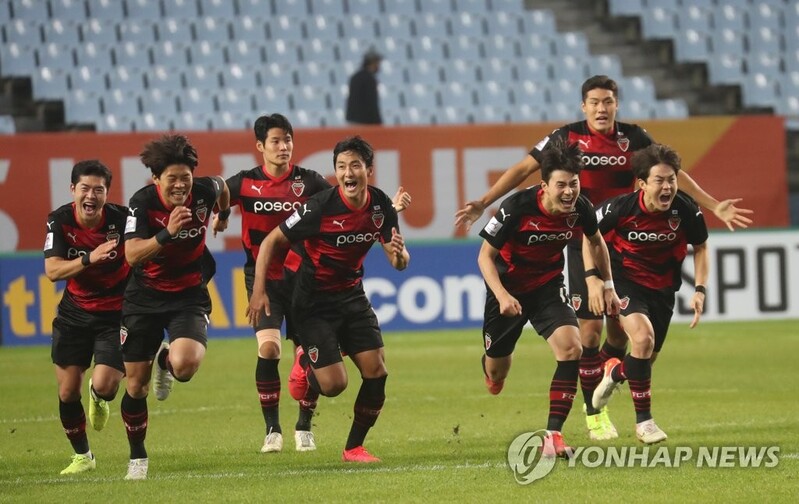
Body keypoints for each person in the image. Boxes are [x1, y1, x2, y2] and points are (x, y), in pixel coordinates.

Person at [456, 75, 751, 441]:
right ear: (584, 106)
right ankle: (594, 414)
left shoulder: (635, 138)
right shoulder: (566, 136)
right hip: (582, 241)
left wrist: (713, 204)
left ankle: (609, 380)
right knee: (589, 334)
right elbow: (522, 170)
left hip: (618, 245)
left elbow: (670, 174)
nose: (601, 108)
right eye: (594, 102)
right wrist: (484, 202)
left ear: (616, 104)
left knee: (622, 337)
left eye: (608, 101)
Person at [220, 114, 411, 454]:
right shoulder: (319, 206)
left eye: (355, 165)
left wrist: (399, 255)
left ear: (369, 169)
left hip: (352, 296)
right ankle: (302, 378)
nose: (348, 173)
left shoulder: (382, 206)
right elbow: (270, 242)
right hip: (313, 302)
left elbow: (398, 262)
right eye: (341, 166)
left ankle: (354, 448)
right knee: (334, 385)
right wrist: (258, 288)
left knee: (377, 371)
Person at [477, 139, 619, 458]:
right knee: (497, 369)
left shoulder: (581, 207)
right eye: (561, 186)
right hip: (509, 289)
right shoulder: (516, 207)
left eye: (574, 184)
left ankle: (552, 436)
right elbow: (485, 257)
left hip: (547, 287)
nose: (569, 192)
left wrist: (607, 283)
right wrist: (501, 295)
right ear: (544, 186)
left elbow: (596, 243)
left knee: (572, 347)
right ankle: (491, 372)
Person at [119, 134, 230, 480]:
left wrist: (223, 214)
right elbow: (132, 254)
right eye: (172, 179)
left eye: (186, 177)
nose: (181, 185)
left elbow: (223, 186)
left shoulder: (204, 191)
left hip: (187, 294)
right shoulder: (141, 203)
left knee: (185, 366)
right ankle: (138, 457)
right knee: (135, 386)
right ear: (156, 179)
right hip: (144, 297)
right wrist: (166, 233)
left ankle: (166, 360)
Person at [589, 143, 708, 444]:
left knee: (644, 359)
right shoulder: (620, 208)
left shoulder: (686, 209)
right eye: (660, 180)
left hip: (664, 288)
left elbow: (702, 246)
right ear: (642, 183)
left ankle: (615, 373)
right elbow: (590, 239)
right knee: (642, 339)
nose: (667, 186)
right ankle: (645, 423)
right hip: (625, 280)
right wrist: (597, 280)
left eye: (672, 179)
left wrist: (700, 289)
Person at [43, 160, 129, 475]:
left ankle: (98, 394)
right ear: (73, 190)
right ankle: (83, 456)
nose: (91, 195)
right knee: (66, 392)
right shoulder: (60, 221)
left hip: (116, 314)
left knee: (106, 386)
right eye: (85, 188)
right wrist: (89, 258)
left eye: (98, 189)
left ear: (107, 193)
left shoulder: (123, 220)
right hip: (74, 314)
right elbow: (52, 271)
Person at [345, 48, 383, 125]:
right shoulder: (369, 79)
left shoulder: (355, 77)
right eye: (377, 63)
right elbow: (371, 103)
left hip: (353, 121)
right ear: (372, 63)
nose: (378, 66)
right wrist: (378, 123)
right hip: (366, 123)